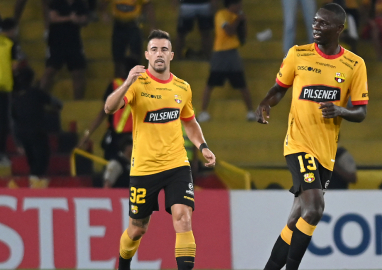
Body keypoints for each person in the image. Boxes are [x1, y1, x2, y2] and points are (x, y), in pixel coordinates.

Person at [255, 3, 368, 270]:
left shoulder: (354, 64)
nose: (316, 28)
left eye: (323, 24)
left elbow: (361, 112)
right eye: (315, 22)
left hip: (326, 152)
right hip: (298, 143)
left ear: (339, 29)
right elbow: (279, 89)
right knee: (315, 209)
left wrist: (341, 109)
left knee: (297, 218)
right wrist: (265, 103)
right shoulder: (298, 54)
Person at [104, 29, 216, 270]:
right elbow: (109, 108)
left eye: (164, 49)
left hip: (177, 164)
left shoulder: (182, 87)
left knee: (183, 218)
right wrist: (126, 83)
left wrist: (203, 146)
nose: (159, 54)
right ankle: (123, 264)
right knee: (137, 228)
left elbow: (189, 121)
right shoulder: (137, 84)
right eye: (154, 49)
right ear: (147, 54)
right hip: (144, 168)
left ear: (171, 55)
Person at [197, 0, 255, 122]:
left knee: (242, 83)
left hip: (233, 53)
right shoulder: (221, 15)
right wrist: (238, 20)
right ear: (231, 5)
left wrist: (243, 23)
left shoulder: (238, 17)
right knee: (211, 83)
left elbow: (243, 37)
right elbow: (228, 31)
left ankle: (250, 111)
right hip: (220, 53)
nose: (240, 6)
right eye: (238, 4)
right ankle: (203, 111)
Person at [77, 57, 138, 160]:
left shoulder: (115, 85)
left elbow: (103, 113)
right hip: (136, 137)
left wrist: (87, 135)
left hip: (117, 138)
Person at [11, 66, 63, 188]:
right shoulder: (36, 93)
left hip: (22, 134)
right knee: (42, 156)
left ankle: (34, 179)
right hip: (37, 131)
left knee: (33, 159)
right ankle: (35, 182)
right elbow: (57, 103)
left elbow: (14, 120)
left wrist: (17, 141)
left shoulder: (15, 99)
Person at [40, 0, 89, 100]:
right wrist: (70, 18)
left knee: (78, 72)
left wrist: (78, 20)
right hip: (56, 43)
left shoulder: (79, 4)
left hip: (74, 42)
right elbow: (53, 18)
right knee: (50, 70)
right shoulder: (57, 3)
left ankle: (78, 102)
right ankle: (39, 98)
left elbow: (85, 20)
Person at [100, 0, 155, 76]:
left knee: (135, 59)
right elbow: (103, 3)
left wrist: (152, 25)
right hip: (118, 25)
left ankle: (136, 84)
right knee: (118, 61)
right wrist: (104, 13)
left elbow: (148, 6)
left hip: (134, 25)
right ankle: (119, 85)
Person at [0, 18, 21, 167]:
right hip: (4, 89)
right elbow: (15, 67)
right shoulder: (11, 45)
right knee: (3, 123)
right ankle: (1, 155)